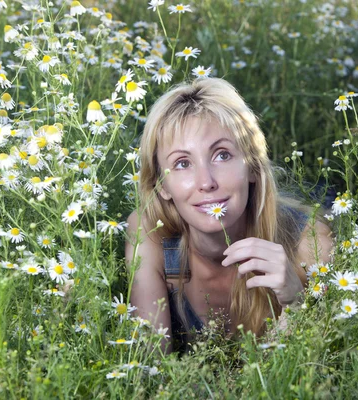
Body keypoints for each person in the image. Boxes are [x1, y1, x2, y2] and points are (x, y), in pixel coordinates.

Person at [125, 78, 333, 353]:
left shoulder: (310, 244)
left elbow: (307, 377)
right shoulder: (151, 234)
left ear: (253, 168)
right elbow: (150, 367)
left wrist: (296, 305)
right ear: (161, 186)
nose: (206, 182)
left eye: (222, 155)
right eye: (182, 163)